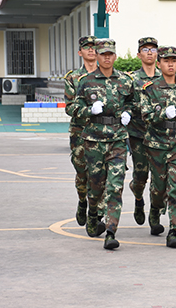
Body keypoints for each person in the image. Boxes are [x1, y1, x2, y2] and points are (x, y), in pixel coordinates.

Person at [68, 39, 134, 249]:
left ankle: (111, 231)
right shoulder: (85, 82)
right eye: (103, 54)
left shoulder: (125, 81)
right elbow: (73, 108)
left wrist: (128, 113)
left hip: (117, 139)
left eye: (110, 54)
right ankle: (92, 212)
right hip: (94, 140)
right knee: (95, 186)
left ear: (115, 56)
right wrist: (89, 110)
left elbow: (133, 103)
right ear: (97, 56)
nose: (107, 58)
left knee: (115, 187)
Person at [138, 46, 176, 248]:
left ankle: (174, 229)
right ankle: (155, 208)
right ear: (159, 64)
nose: (170, 64)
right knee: (159, 187)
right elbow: (145, 115)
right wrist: (162, 114)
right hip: (157, 143)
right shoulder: (150, 88)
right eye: (166, 61)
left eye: (173, 60)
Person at [127, 37, 162, 229]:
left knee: (159, 178)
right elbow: (125, 102)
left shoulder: (165, 77)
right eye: (145, 49)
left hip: (161, 135)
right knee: (141, 175)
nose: (149, 52)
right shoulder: (131, 79)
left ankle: (155, 214)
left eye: (153, 49)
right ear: (138, 54)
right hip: (138, 134)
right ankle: (138, 197)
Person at [64, 35, 97, 226]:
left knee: (99, 175)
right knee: (82, 172)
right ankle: (82, 200)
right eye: (87, 47)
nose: (91, 50)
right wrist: (89, 111)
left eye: (94, 47)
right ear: (80, 52)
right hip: (80, 132)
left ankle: (96, 213)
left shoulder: (106, 76)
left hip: (102, 132)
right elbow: (69, 107)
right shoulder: (73, 78)